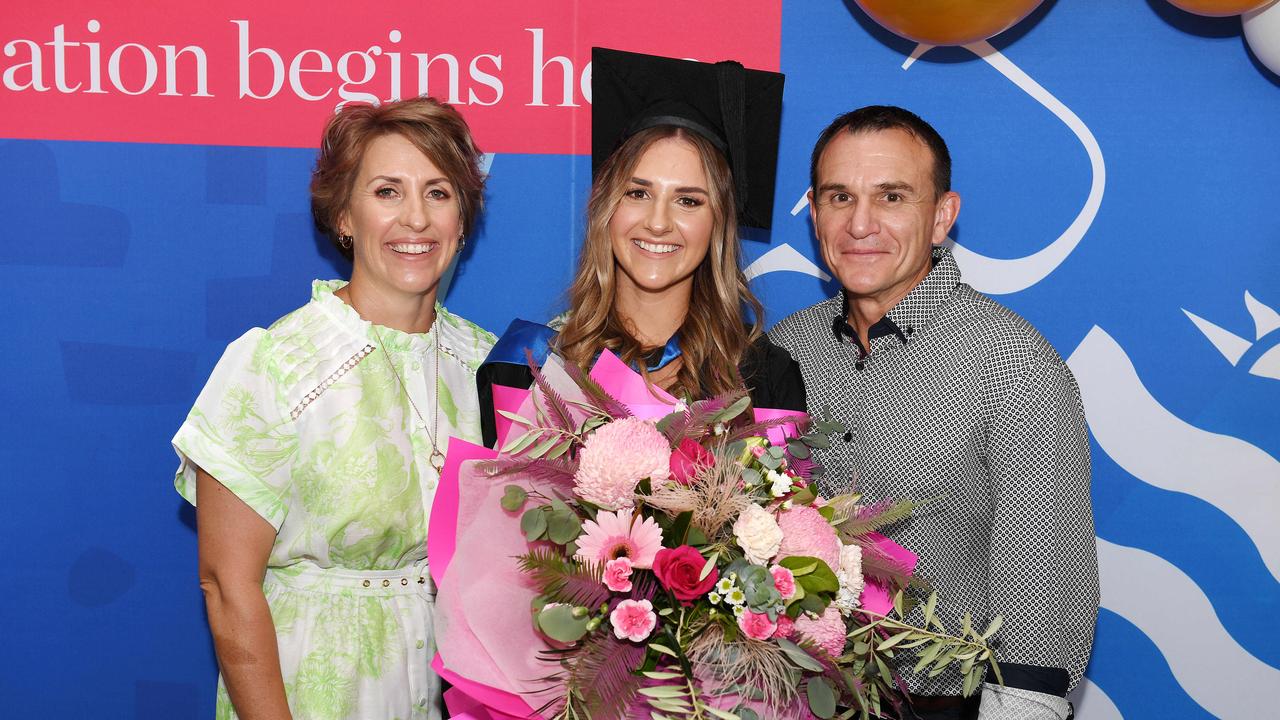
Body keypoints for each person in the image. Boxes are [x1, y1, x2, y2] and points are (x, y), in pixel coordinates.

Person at [769, 106, 1098, 720]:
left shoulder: (1011, 362)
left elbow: (1046, 591)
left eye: (892, 196)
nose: (860, 223)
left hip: (949, 706)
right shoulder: (786, 352)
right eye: (840, 197)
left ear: (942, 216)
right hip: (794, 699)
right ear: (814, 213)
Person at [171, 96, 495, 720]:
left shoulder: (493, 368)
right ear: (344, 214)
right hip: (311, 689)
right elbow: (227, 586)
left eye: (438, 192)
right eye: (387, 191)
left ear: (462, 219)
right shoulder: (276, 364)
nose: (416, 219)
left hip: (454, 692)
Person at [478, 48, 804, 445]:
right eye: (637, 193)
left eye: (689, 200)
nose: (658, 222)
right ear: (606, 207)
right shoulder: (532, 363)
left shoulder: (764, 376)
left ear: (718, 221)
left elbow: (786, 499)